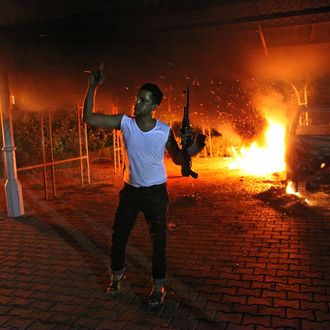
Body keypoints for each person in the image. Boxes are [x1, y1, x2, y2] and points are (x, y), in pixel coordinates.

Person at [83, 63, 193, 309]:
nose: (137, 103)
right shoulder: (126, 123)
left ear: (154, 106)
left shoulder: (164, 131)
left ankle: (157, 287)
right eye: (137, 98)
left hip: (156, 193)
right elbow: (89, 118)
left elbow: (178, 159)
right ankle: (116, 278)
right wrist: (92, 87)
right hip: (130, 192)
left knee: (159, 242)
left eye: (143, 100)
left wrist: (193, 145)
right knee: (118, 237)